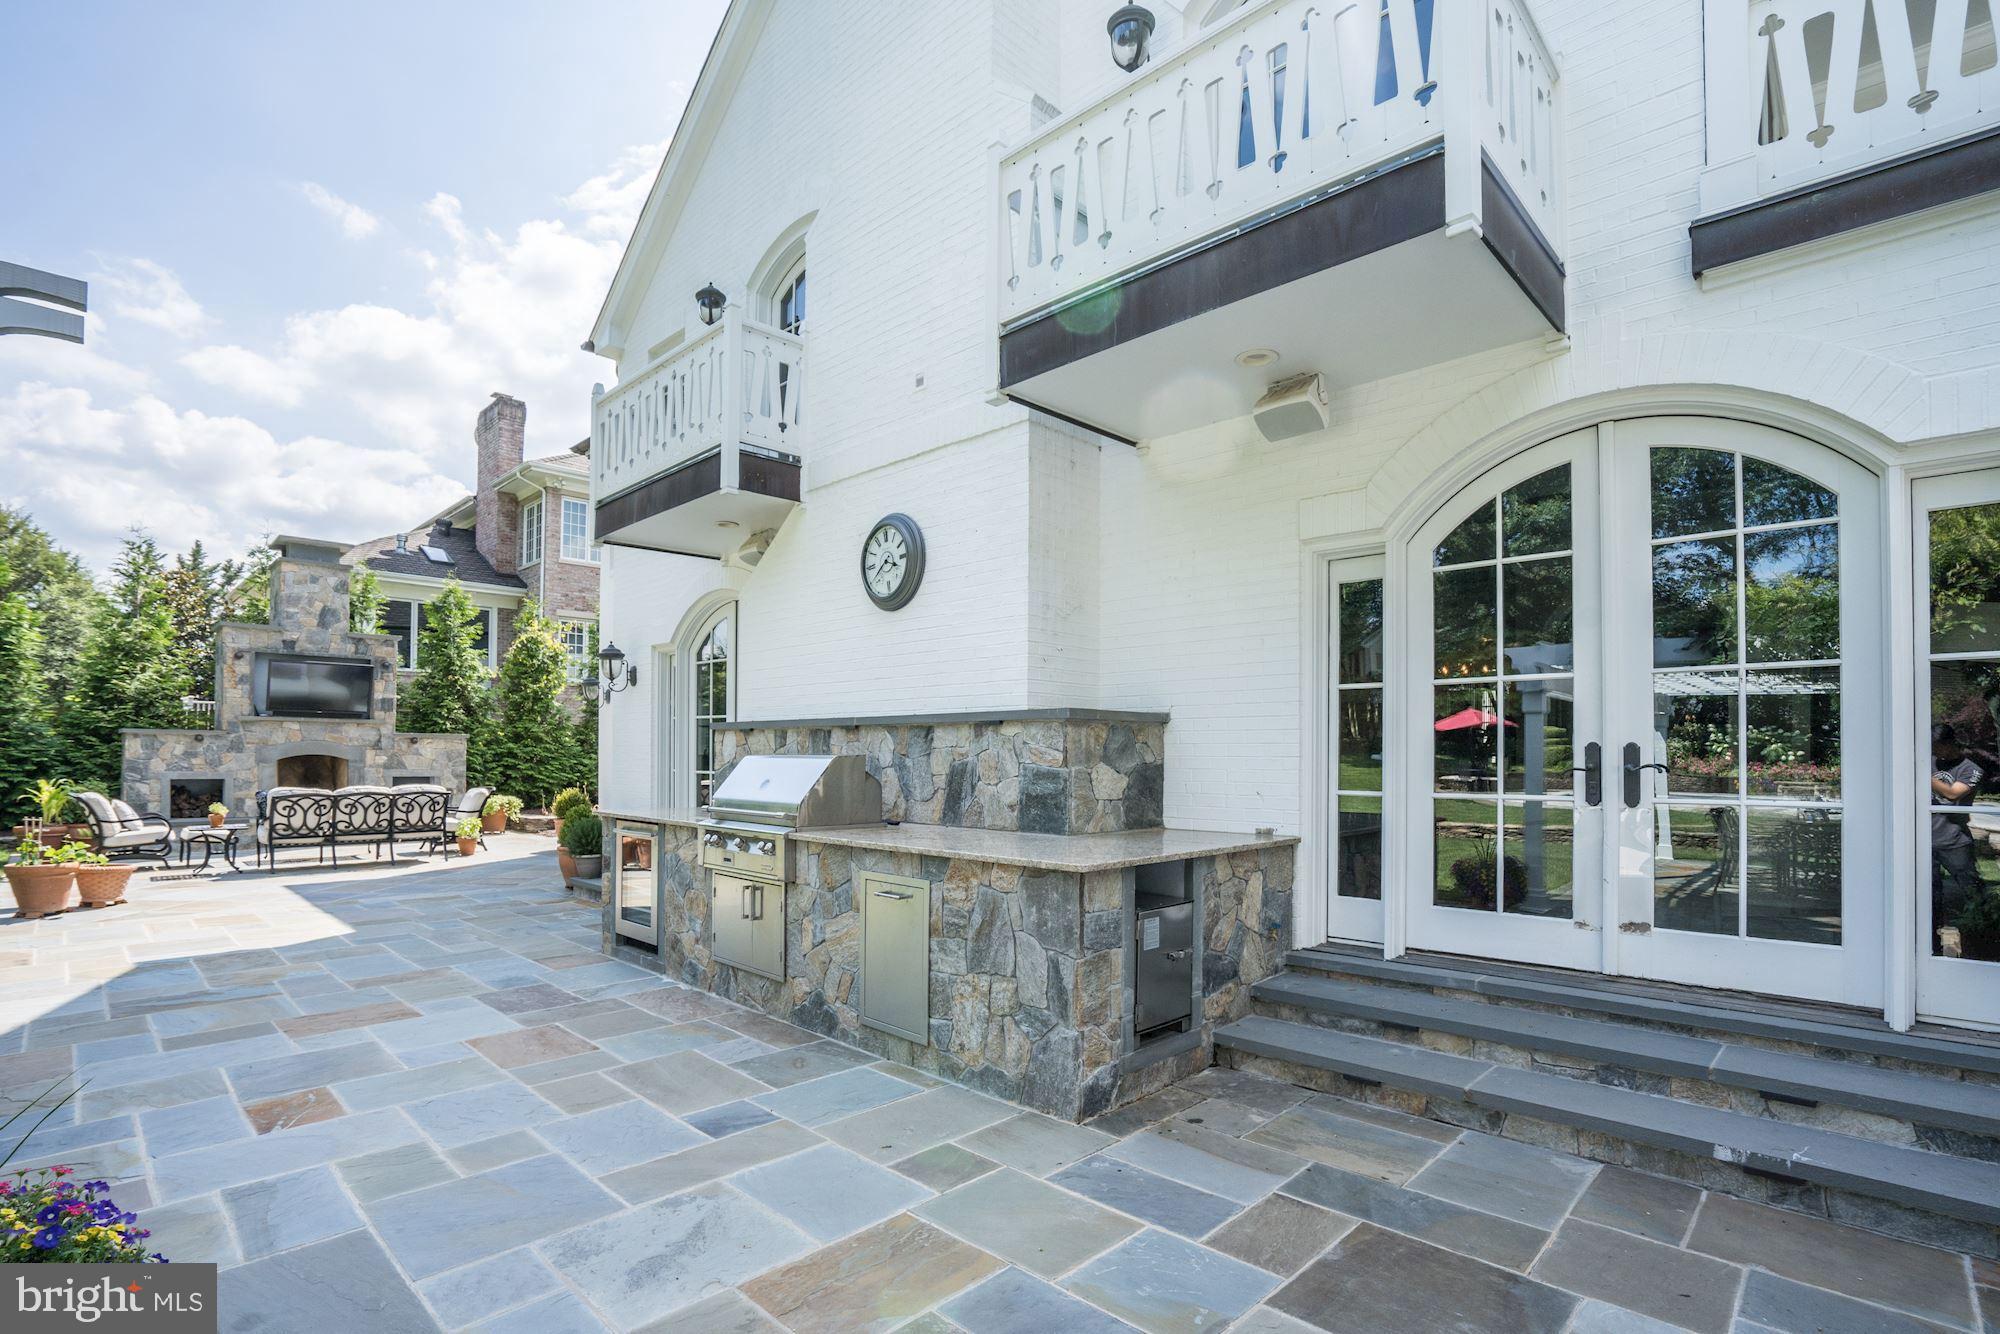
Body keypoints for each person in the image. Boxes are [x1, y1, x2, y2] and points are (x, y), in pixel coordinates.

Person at [1930, 723, 1988, 952]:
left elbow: (1953, 793)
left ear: (1950, 744)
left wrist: (1919, 772)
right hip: (1924, 841)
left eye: (1937, 746)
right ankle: (1930, 948)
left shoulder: (1970, 768)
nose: (1934, 752)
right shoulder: (1931, 762)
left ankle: (1980, 944)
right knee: (1929, 897)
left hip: (1955, 841)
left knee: (1973, 893)